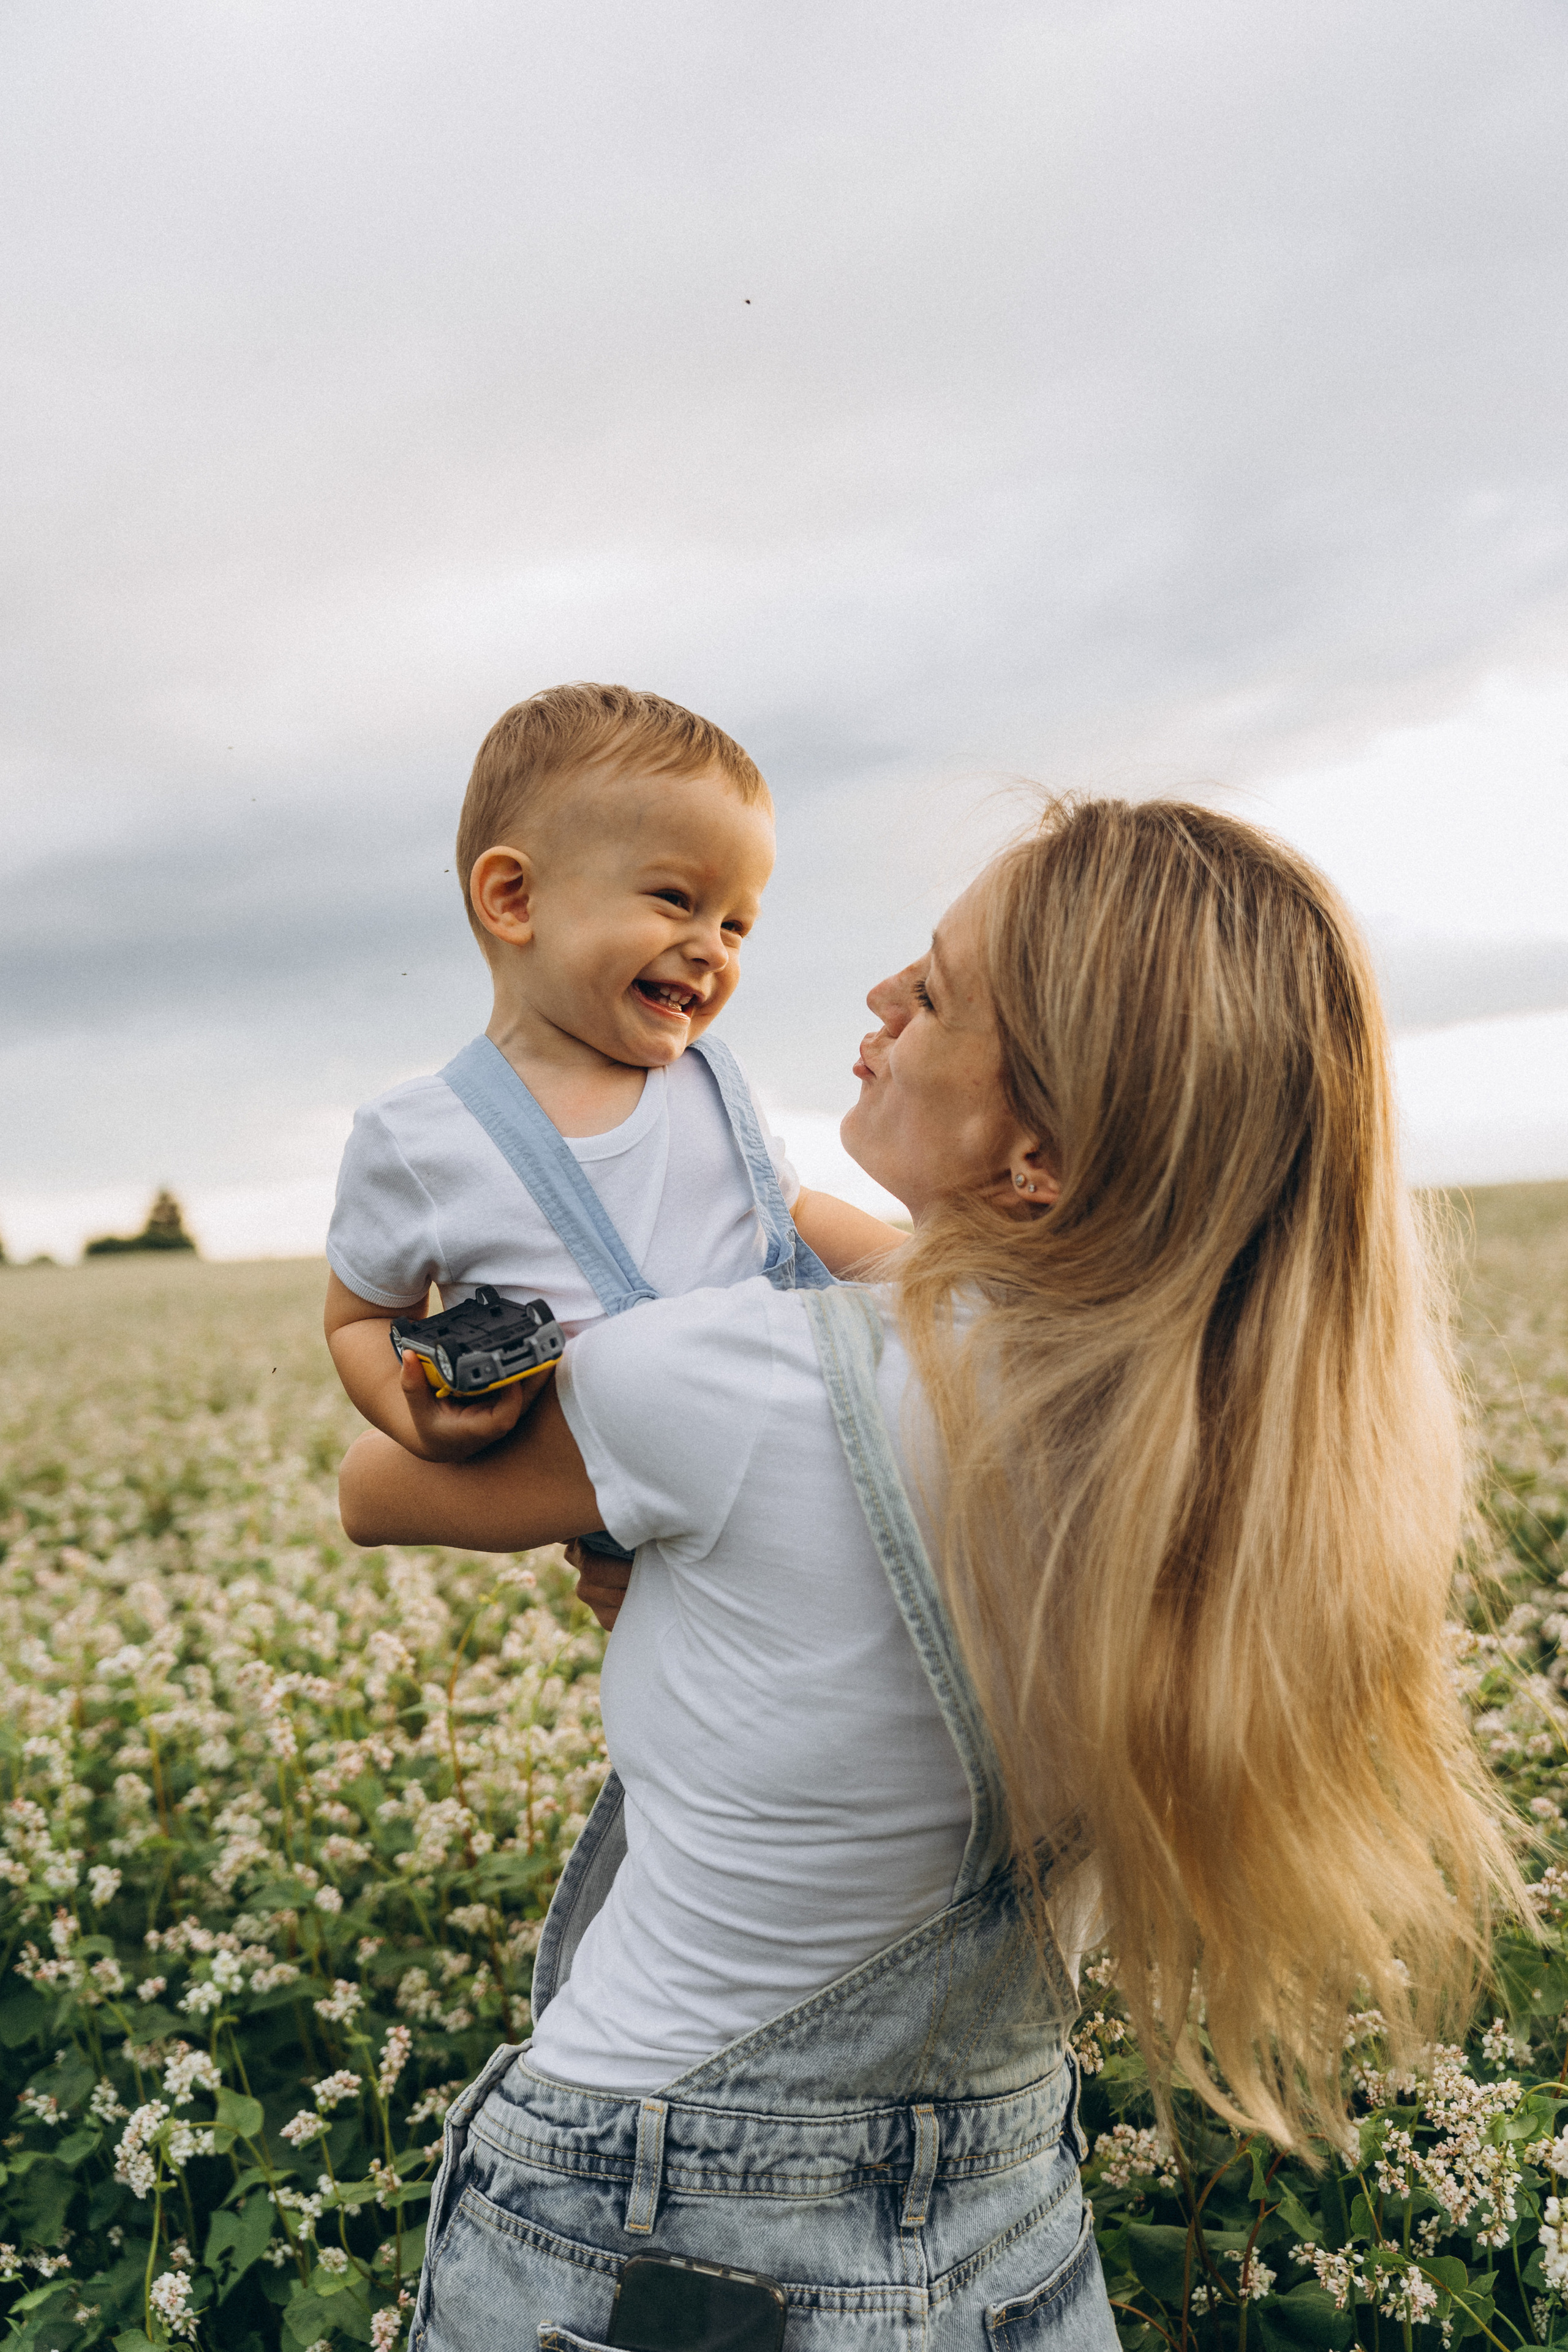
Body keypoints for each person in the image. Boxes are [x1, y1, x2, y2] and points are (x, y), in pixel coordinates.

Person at [339, 797, 1517, 2352]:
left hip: (648, 2221)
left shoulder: (722, 1383)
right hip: (1009, 2224)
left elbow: (378, 1492)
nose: (880, 994)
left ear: (1035, 1151)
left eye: (940, 989)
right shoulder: (1231, 1441)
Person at [323, 682, 903, 1478]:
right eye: (676, 901)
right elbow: (359, 1320)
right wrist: (415, 1422)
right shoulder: (418, 1137)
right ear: (514, 899)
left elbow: (793, 1215)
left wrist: (934, 1281)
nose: (714, 949)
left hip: (800, 1466)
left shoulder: (710, 1083)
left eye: (736, 924)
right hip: (626, 1510)